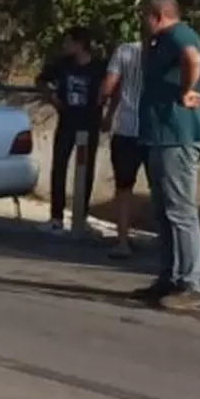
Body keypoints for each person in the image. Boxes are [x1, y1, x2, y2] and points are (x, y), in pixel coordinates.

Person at [132, 0, 200, 311]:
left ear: (156, 15)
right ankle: (169, 277)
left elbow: (193, 57)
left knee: (180, 211)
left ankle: (190, 284)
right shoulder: (159, 42)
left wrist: (186, 91)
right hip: (160, 137)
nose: (141, 22)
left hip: (178, 137)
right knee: (164, 211)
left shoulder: (179, 34)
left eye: (144, 16)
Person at [36, 26, 106, 233]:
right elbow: (41, 80)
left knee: (86, 170)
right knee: (59, 167)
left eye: (68, 42)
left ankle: (81, 217)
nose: (65, 47)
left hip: (89, 123)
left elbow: (110, 86)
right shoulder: (62, 65)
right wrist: (53, 98)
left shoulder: (98, 67)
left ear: (80, 44)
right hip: (67, 122)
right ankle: (56, 217)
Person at [100, 38, 145, 259]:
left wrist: (106, 112)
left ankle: (123, 241)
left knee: (123, 188)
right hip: (157, 131)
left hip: (127, 128)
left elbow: (111, 87)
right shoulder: (169, 51)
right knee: (164, 190)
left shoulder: (125, 50)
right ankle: (171, 246)